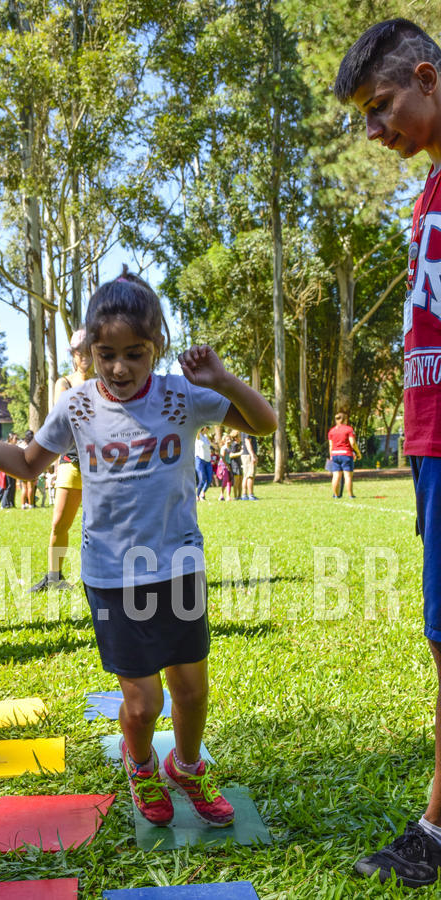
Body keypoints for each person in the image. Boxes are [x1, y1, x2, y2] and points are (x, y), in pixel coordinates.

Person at [0, 268, 277, 828]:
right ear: (91, 350)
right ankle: (142, 764)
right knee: (145, 705)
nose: (120, 367)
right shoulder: (76, 406)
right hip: (111, 575)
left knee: (192, 694)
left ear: (157, 349)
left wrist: (221, 379)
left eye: (135, 354)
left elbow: (265, 424)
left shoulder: (181, 396)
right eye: (107, 354)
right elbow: (29, 464)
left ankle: (187, 766)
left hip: (177, 567)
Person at [335, 18, 441, 888]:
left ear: (427, 77)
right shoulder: (426, 194)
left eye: (381, 107)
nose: (375, 130)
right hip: (430, 446)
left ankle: (437, 831)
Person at [30, 328, 93, 592]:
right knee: (60, 523)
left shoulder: (107, 381)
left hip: (102, 463)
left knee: (100, 525)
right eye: (80, 352)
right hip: (72, 462)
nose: (85, 357)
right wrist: (55, 469)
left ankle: (103, 576)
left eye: (90, 351)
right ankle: (54, 576)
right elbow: (63, 419)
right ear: (73, 355)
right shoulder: (64, 382)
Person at [327, 412, 361, 499]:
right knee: (347, 476)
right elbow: (352, 443)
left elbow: (330, 445)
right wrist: (358, 452)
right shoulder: (348, 429)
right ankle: (351, 495)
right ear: (345, 420)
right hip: (346, 454)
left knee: (336, 476)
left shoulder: (332, 431)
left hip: (335, 454)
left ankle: (336, 495)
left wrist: (331, 455)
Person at [0, 434, 19, 509]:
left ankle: (9, 503)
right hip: (6, 470)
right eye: (15, 438)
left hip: (12, 470)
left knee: (11, 487)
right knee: (4, 487)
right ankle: (0, 504)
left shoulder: (14, 447)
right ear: (10, 439)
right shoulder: (6, 447)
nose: (17, 440)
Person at [19, 430, 37, 508]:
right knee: (30, 488)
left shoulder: (21, 445)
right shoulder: (34, 445)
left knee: (24, 487)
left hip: (22, 468)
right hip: (30, 467)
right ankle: (31, 504)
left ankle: (23, 505)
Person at [194, 427, 212, 501]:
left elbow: (211, 446)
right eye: (207, 427)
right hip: (199, 459)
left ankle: (203, 493)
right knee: (202, 479)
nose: (208, 429)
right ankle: (197, 496)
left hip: (208, 461)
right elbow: (197, 428)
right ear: (204, 428)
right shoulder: (198, 436)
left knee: (209, 480)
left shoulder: (206, 437)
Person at [240, 432, 259, 500]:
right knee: (250, 475)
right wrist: (252, 455)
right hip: (248, 455)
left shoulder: (243, 429)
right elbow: (247, 441)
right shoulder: (247, 430)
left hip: (246, 455)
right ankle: (251, 495)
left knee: (246, 475)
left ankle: (244, 495)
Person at [217, 434, 233, 501]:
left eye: (230, 439)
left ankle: (228, 496)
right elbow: (223, 458)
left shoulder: (230, 448)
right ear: (224, 441)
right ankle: (221, 494)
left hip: (229, 464)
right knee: (225, 480)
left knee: (229, 480)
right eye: (227, 440)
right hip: (224, 465)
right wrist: (227, 465)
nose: (229, 441)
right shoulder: (224, 448)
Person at [229, 431, 243, 499]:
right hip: (235, 465)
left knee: (241, 480)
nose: (241, 437)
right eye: (240, 436)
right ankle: (235, 496)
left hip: (240, 464)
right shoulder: (234, 445)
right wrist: (240, 453)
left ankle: (240, 496)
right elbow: (231, 455)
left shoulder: (239, 444)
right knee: (236, 481)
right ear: (236, 438)